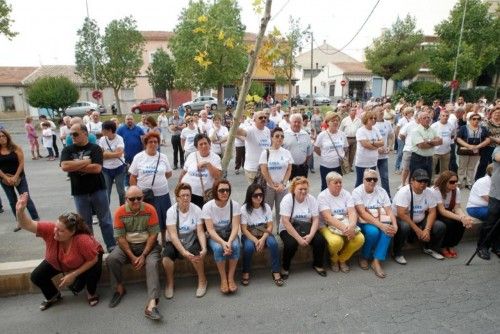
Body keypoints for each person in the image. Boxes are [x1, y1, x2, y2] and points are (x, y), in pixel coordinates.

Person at [16, 193, 103, 310]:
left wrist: (73, 274)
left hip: (88, 259)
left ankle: (91, 293)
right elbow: (26, 224)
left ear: (72, 232)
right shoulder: (50, 229)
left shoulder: (83, 240)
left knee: (92, 274)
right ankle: (53, 295)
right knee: (37, 276)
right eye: (56, 227)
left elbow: (93, 259)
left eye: (61, 231)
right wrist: (20, 211)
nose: (55, 232)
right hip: (59, 261)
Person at [106, 186, 163, 321]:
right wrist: (132, 256)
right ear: (126, 199)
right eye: (132, 199)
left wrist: (143, 255)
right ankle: (119, 288)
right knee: (112, 259)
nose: (136, 201)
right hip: (128, 245)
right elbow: (119, 237)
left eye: (139, 198)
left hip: (148, 246)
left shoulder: (150, 209)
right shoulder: (120, 212)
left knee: (152, 263)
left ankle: (152, 304)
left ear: (143, 197)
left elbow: (154, 234)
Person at [60, 124, 115, 252]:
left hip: (98, 189)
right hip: (79, 192)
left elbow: (97, 168)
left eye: (75, 134)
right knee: (84, 223)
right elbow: (64, 166)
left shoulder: (95, 148)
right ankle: (91, 247)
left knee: (105, 220)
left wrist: (74, 165)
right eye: (70, 134)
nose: (72, 136)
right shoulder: (67, 150)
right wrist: (87, 162)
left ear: (85, 133)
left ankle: (111, 245)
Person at [162, 183, 207, 299]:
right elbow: (172, 235)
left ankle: (202, 280)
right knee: (166, 257)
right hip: (175, 240)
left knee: (197, 254)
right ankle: (170, 283)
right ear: (177, 197)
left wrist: (204, 247)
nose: (186, 198)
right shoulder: (171, 211)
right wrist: (183, 252)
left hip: (190, 239)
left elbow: (200, 231)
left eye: (188, 195)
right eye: (182, 196)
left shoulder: (196, 209)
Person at [392, 169, 446, 264]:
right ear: (411, 181)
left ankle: (429, 248)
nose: (423, 183)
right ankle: (397, 253)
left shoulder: (429, 192)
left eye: (425, 181)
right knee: (405, 227)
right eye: (420, 181)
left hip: (419, 219)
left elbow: (432, 212)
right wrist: (418, 230)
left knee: (440, 226)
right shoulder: (404, 192)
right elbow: (401, 214)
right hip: (402, 220)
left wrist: (427, 230)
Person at [351, 169, 397, 278]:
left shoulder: (381, 191)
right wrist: (381, 225)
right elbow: (362, 213)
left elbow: (389, 210)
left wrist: (395, 224)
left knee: (389, 231)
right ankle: (364, 256)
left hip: (380, 219)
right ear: (363, 180)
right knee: (373, 232)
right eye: (368, 179)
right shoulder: (357, 192)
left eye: (374, 179)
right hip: (364, 221)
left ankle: (376, 261)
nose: (372, 181)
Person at [129, 132, 172, 244]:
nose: (153, 144)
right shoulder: (139, 157)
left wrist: (159, 181)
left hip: (162, 194)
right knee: (149, 220)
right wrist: (135, 193)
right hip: (145, 196)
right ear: (145, 144)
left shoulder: (163, 157)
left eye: (155, 142)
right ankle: (151, 242)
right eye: (150, 142)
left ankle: (163, 240)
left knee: (163, 219)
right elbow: (133, 176)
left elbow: (168, 173)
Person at [279, 177, 327, 278]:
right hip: (289, 228)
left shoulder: (311, 199)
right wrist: (299, 239)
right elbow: (286, 222)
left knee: (320, 240)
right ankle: (285, 267)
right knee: (291, 244)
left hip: (306, 227)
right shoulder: (287, 199)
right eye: (300, 189)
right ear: (293, 189)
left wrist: (310, 235)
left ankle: (318, 264)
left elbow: (316, 219)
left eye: (305, 189)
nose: (303, 191)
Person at [317, 172, 364, 273]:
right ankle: (334, 259)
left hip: (346, 223)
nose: (339, 184)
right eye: (336, 182)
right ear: (328, 184)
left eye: (340, 182)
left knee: (360, 239)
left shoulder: (346, 194)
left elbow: (352, 212)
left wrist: (351, 226)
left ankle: (342, 259)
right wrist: (347, 229)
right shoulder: (322, 196)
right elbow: (328, 218)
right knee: (336, 242)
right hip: (326, 225)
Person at [202, 179, 241, 294]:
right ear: (215, 191)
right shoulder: (208, 207)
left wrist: (228, 242)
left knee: (236, 246)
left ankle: (230, 277)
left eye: (227, 190)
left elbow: (235, 227)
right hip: (216, 236)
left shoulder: (234, 205)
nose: (225, 193)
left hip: (230, 233)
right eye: (221, 190)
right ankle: (223, 279)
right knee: (218, 248)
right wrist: (223, 243)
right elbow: (210, 230)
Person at [240, 183, 283, 286]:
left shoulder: (266, 206)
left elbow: (270, 226)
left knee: (273, 244)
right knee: (249, 248)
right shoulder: (244, 209)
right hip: (250, 233)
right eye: (255, 195)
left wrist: (262, 239)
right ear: (250, 196)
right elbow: (244, 229)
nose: (259, 197)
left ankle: (276, 270)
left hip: (264, 232)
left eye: (261, 195)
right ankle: (246, 271)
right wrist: (255, 240)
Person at [0, 129, 39, 231]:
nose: (2, 138)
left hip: (20, 177)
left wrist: (16, 176)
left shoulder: (16, 148)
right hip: (4, 179)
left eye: (3, 136)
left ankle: (36, 219)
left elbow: (21, 163)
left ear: (7, 137)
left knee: (26, 198)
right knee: (12, 201)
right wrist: (6, 178)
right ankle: (19, 222)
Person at [432, 171, 473, 258]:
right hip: (437, 214)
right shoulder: (436, 190)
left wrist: (464, 218)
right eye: (452, 182)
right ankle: (443, 246)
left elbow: (457, 208)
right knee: (449, 223)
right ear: (444, 181)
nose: (455, 184)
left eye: (456, 181)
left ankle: (451, 245)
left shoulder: (456, 190)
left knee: (461, 224)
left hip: (449, 212)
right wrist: (460, 218)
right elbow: (442, 211)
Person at [260, 127, 293, 227]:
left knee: (282, 210)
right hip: (269, 187)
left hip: (283, 187)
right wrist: (271, 184)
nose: (279, 138)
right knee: (267, 209)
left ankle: (281, 230)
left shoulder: (286, 152)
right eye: (277, 136)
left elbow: (289, 169)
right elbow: (264, 170)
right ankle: (267, 230)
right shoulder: (265, 152)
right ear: (272, 138)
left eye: (282, 136)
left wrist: (283, 184)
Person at [179, 133, 222, 208]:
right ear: (196, 147)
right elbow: (183, 173)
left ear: (210, 145)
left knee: (203, 217)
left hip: (204, 196)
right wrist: (179, 187)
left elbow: (217, 176)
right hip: (188, 194)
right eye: (200, 144)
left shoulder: (215, 157)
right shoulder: (191, 156)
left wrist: (208, 165)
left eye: (205, 143)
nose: (204, 146)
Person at [476, 146, 500, 260]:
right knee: (491, 222)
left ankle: (497, 246)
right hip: (497, 194)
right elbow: (498, 157)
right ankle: (482, 246)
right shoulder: (498, 149)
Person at [314, 112, 348, 190]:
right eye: (333, 121)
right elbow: (316, 148)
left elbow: (345, 148)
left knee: (337, 186)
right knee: (325, 187)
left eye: (337, 120)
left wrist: (341, 155)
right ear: (327, 122)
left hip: (339, 166)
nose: (335, 122)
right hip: (326, 166)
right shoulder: (322, 135)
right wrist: (324, 156)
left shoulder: (342, 134)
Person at [236, 110, 271, 184]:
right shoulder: (250, 129)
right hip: (253, 169)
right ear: (254, 120)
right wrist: (235, 124)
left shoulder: (267, 130)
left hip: (265, 168)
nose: (263, 119)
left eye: (265, 117)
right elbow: (241, 132)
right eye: (260, 117)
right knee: (255, 193)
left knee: (264, 192)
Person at [456, 114, 490, 189]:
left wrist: (478, 146)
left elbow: (488, 140)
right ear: (470, 120)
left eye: (478, 119)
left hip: (476, 151)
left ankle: (469, 183)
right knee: (462, 167)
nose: (476, 121)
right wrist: (468, 146)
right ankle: (460, 182)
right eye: (474, 119)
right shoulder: (463, 128)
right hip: (464, 150)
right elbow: (458, 138)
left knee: (471, 167)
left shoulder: (483, 128)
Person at [409, 111, 442, 180]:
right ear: (419, 120)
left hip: (429, 159)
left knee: (427, 180)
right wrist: (433, 143)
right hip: (418, 159)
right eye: (424, 118)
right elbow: (422, 146)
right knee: (416, 181)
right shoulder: (416, 131)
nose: (427, 119)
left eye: (428, 117)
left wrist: (428, 141)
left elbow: (440, 142)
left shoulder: (432, 130)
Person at [99, 120, 126, 206]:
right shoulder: (102, 139)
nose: (101, 131)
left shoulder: (119, 139)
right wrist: (113, 153)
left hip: (119, 168)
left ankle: (122, 209)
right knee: (106, 192)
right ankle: (106, 212)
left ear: (109, 130)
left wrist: (106, 153)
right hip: (106, 169)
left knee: (121, 191)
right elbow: (100, 155)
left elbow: (119, 154)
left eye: (103, 129)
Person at [354, 110, 384, 187]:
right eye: (371, 118)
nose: (373, 120)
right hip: (362, 162)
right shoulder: (360, 131)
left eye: (374, 118)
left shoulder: (376, 129)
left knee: (371, 181)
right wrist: (376, 146)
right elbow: (365, 144)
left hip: (373, 161)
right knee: (360, 182)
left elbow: (382, 142)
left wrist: (372, 142)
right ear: (365, 119)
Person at [117, 114, 145, 186]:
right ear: (125, 120)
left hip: (138, 157)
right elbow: (117, 142)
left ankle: (138, 190)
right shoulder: (120, 129)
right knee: (127, 175)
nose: (129, 121)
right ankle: (127, 192)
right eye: (128, 119)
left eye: (131, 119)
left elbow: (144, 141)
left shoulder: (139, 129)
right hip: (126, 157)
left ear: (133, 120)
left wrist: (144, 152)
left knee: (139, 174)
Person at [283, 113, 312, 179]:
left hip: (302, 167)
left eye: (299, 122)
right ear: (290, 122)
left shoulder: (306, 135)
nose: (297, 124)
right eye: (295, 122)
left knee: (302, 187)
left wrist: (304, 162)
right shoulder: (284, 135)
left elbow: (309, 151)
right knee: (290, 188)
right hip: (288, 168)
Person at [373, 106, 394, 197]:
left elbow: (392, 135)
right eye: (379, 110)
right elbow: (366, 140)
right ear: (374, 112)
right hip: (372, 156)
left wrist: (389, 146)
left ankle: (387, 197)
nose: (382, 112)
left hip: (383, 156)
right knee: (371, 178)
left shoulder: (387, 123)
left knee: (385, 178)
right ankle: (370, 197)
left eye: (382, 110)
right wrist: (376, 149)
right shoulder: (371, 123)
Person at [476, 107, 500, 180]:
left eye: (499, 113)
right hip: (488, 147)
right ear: (491, 113)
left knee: (495, 165)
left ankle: (492, 180)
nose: (497, 114)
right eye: (495, 112)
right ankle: (478, 180)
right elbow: (485, 135)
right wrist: (496, 140)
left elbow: (489, 136)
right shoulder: (485, 123)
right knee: (483, 164)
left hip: (498, 148)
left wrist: (492, 138)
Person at [431, 110, 455, 179]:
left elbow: (452, 135)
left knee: (445, 169)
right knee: (432, 168)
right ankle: (431, 181)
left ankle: (442, 182)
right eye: (443, 115)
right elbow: (430, 137)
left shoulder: (451, 125)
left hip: (446, 151)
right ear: (440, 116)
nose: (445, 117)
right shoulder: (434, 125)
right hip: (435, 151)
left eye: (447, 116)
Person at [340, 106, 362, 172]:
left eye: (355, 110)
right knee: (346, 153)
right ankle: (346, 167)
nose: (354, 111)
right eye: (352, 110)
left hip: (355, 139)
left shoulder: (358, 120)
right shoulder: (345, 120)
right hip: (346, 138)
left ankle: (350, 166)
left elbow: (360, 130)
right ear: (349, 112)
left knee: (352, 154)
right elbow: (341, 130)